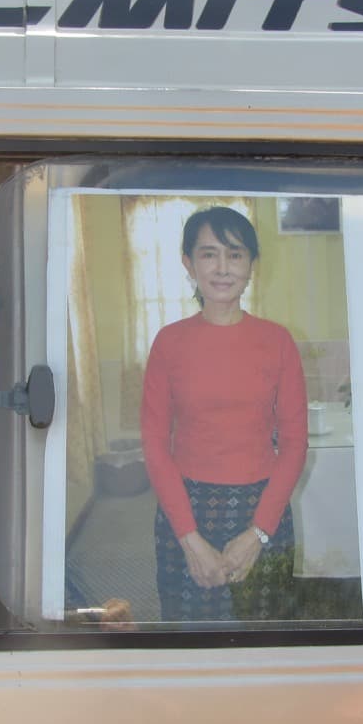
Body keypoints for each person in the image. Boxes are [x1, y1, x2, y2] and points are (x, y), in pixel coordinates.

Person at [140, 205, 308, 622]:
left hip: (262, 510)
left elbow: (293, 445)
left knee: (267, 640)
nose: (222, 267)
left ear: (252, 264)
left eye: (235, 254)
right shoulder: (169, 343)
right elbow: (156, 446)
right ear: (188, 263)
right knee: (191, 639)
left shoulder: (277, 341)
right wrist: (190, 539)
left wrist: (257, 533)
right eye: (208, 253)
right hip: (187, 509)